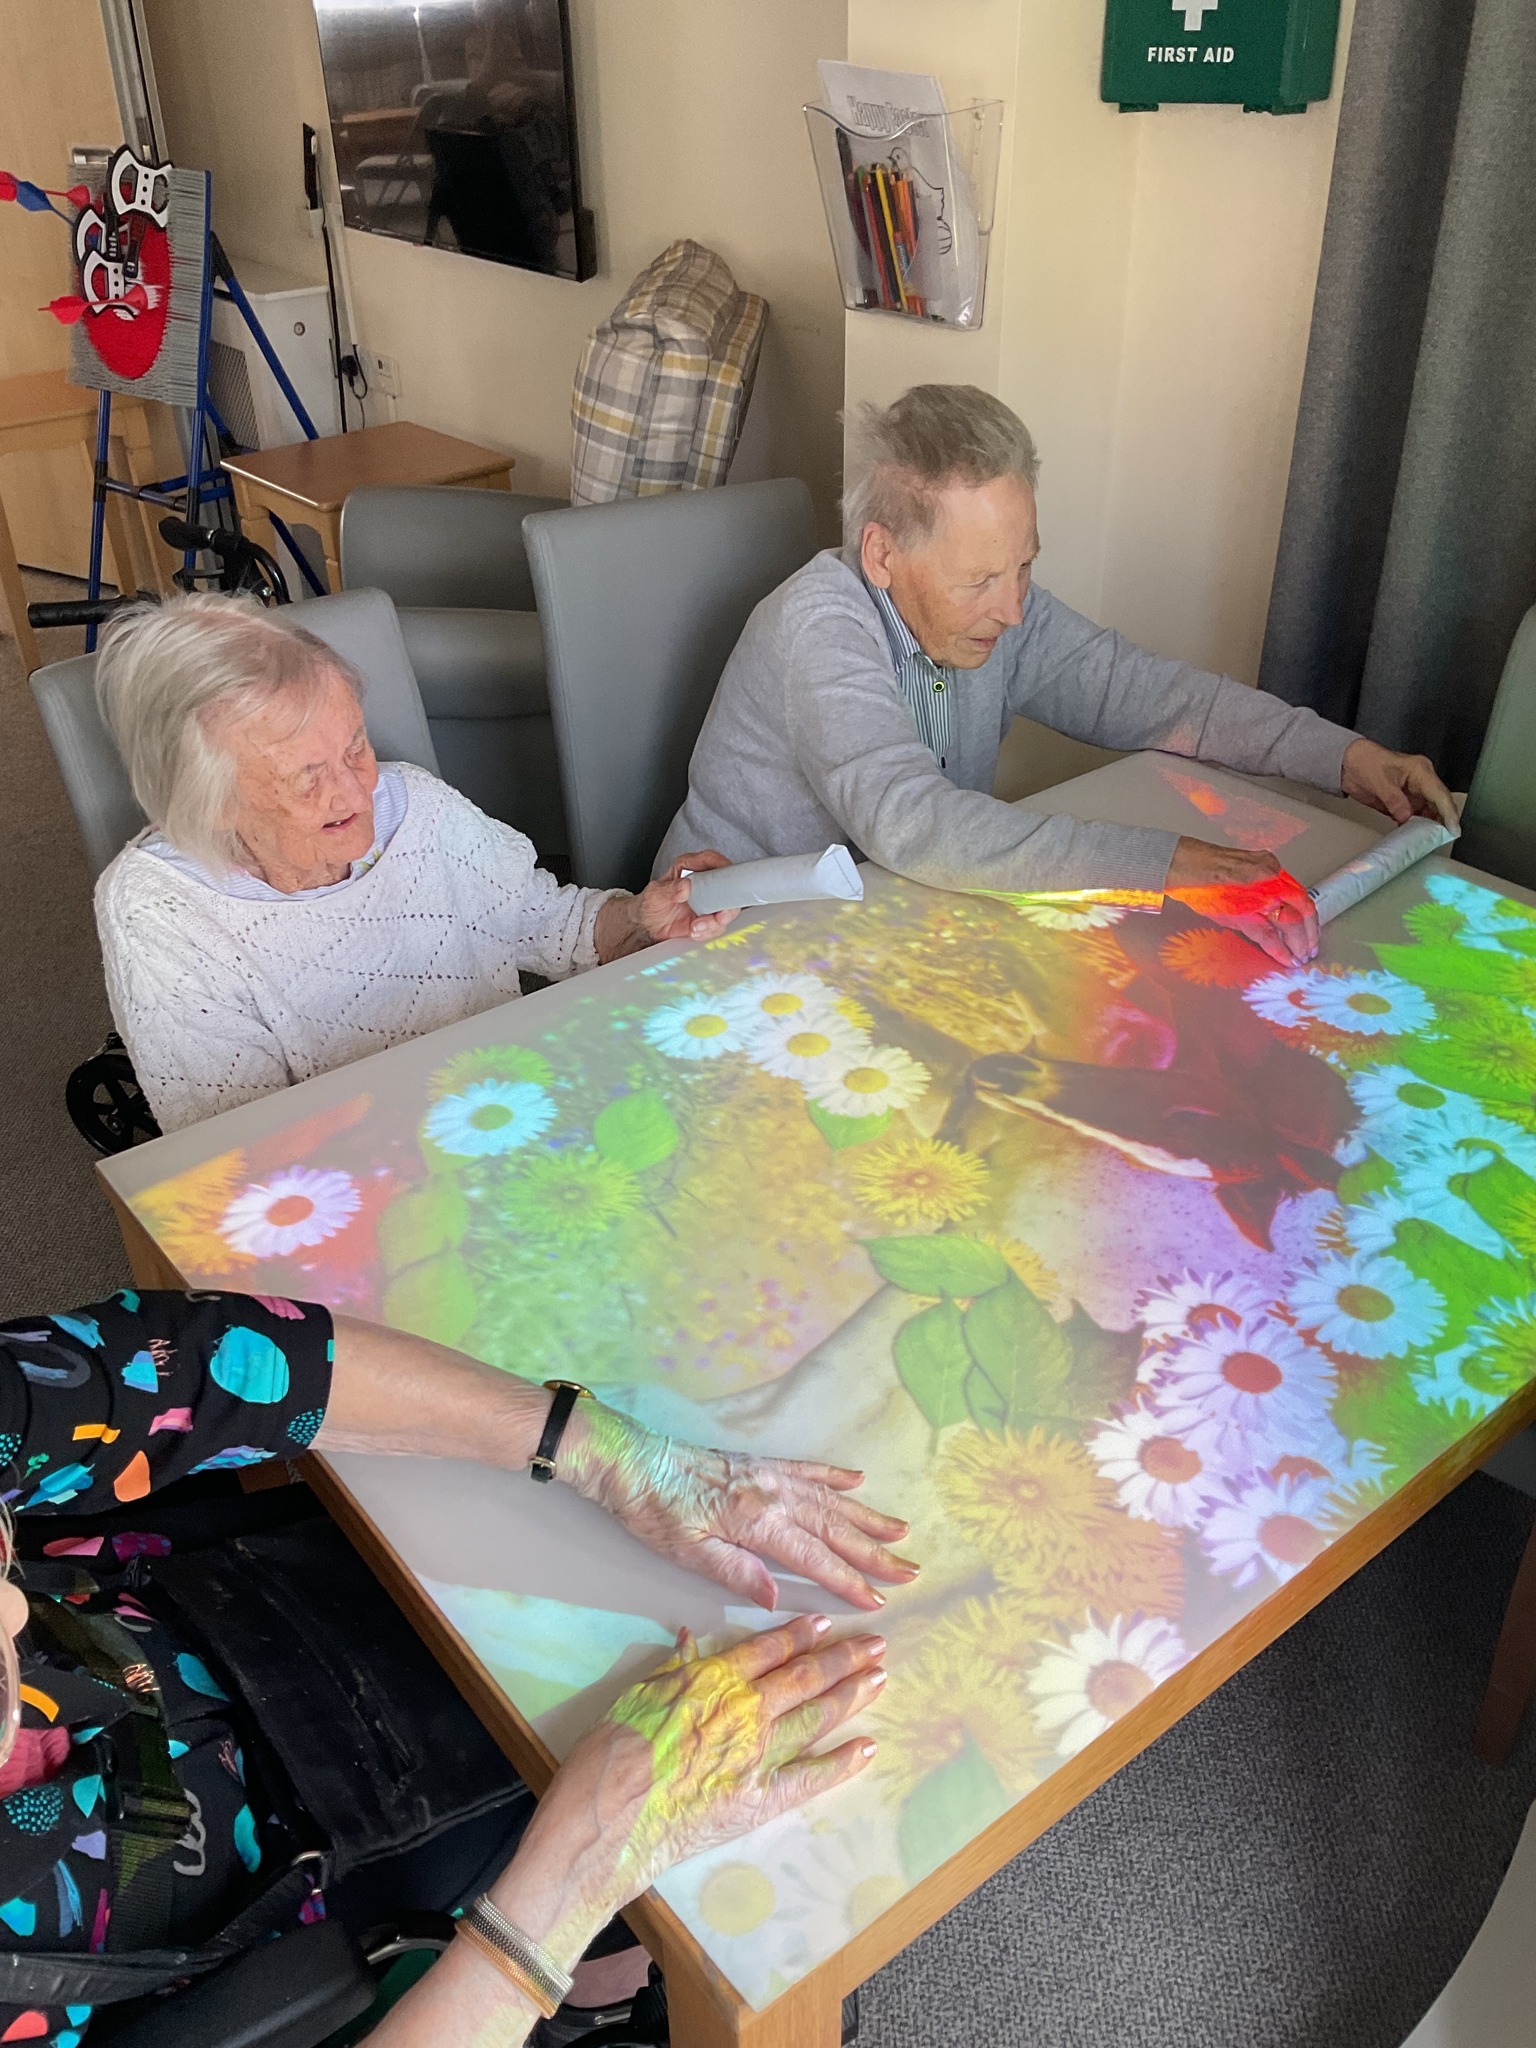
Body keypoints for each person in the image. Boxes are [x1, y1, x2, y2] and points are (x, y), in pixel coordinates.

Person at [0, 1289, 907, 2046]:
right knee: (757, 1836)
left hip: (198, 1600)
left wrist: (590, 1446)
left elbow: (211, 1361)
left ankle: (603, 1979)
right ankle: (594, 1987)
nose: (12, 1606)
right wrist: (575, 1879)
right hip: (271, 1884)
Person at [656, 383, 1460, 966]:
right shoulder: (817, 624)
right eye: (980, 580)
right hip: (717, 942)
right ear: (881, 555)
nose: (1012, 610)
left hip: (873, 932)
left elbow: (1157, 697)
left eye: (1025, 567)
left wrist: (1344, 757)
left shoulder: (1002, 611)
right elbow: (915, 823)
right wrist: (1167, 867)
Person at [92, 595, 738, 1134]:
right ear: (208, 803)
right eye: (306, 778)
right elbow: (239, 1151)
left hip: (506, 1112)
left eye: (356, 747)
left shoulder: (417, 806)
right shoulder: (162, 914)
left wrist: (641, 919)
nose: (357, 794)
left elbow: (555, 925)